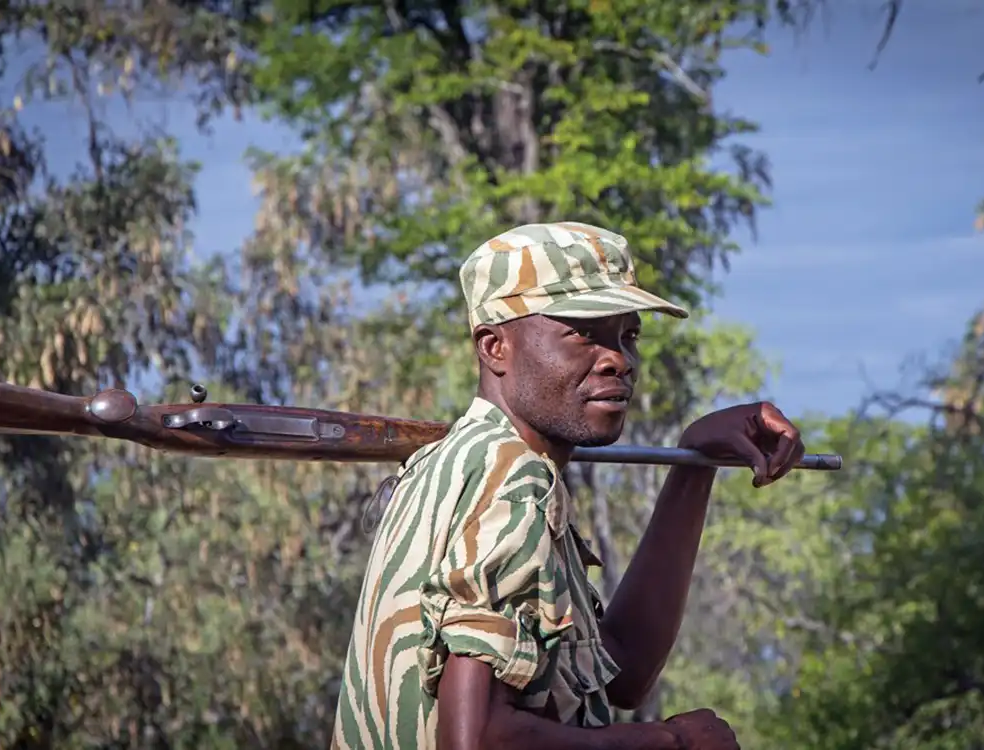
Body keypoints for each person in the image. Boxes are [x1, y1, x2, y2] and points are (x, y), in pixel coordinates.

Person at [330, 221, 805, 750]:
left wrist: (694, 466)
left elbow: (624, 670)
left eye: (628, 336)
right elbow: (477, 738)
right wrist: (670, 743)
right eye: (583, 332)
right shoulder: (509, 474)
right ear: (494, 347)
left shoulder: (456, 464)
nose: (619, 360)